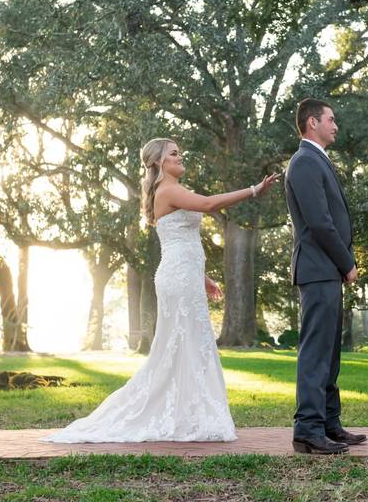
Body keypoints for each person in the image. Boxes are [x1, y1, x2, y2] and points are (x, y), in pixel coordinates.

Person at [43, 138, 278, 443]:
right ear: (158, 162)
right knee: (182, 343)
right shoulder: (168, 190)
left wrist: (203, 277)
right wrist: (254, 190)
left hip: (184, 274)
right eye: (174, 153)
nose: (182, 157)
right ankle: (182, 414)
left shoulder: (172, 190)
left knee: (188, 343)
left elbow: (180, 240)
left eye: (181, 152)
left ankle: (189, 413)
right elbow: (208, 205)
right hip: (177, 278)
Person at [284, 98, 366, 454]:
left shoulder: (317, 160)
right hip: (318, 269)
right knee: (316, 353)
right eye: (331, 119)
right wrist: (347, 262)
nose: (336, 125)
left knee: (330, 354)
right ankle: (307, 430)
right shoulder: (303, 161)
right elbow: (319, 222)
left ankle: (329, 423)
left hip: (326, 271)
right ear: (312, 122)